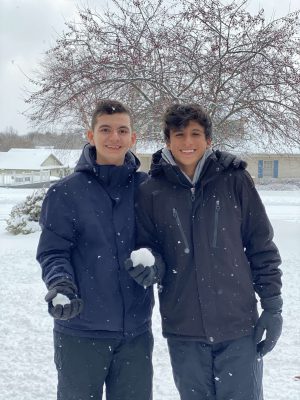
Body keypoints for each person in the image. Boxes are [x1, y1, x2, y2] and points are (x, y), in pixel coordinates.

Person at [125, 103, 283, 400]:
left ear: (208, 140)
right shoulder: (151, 190)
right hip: (184, 330)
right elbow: (149, 248)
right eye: (179, 134)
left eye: (195, 134)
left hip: (237, 326)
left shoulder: (234, 180)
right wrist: (150, 266)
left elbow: (260, 245)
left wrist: (272, 305)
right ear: (168, 140)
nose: (187, 142)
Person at [36, 100, 154, 400]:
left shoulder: (147, 189)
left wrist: (157, 266)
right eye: (105, 129)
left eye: (122, 130)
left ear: (133, 138)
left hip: (135, 335)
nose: (114, 137)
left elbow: (161, 246)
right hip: (81, 331)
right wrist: (61, 283)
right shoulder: (64, 193)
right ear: (91, 136)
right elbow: (53, 252)